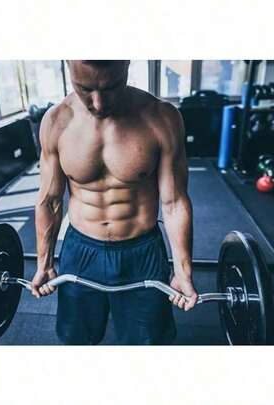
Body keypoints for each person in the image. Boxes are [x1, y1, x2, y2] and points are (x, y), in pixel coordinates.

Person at [32, 60, 198, 344]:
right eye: (84, 88)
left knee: (146, 343)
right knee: (77, 340)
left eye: (111, 87)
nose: (98, 103)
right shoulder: (56, 121)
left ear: (127, 65)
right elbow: (49, 200)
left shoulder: (161, 118)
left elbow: (174, 203)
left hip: (141, 253)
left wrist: (183, 271)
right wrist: (44, 263)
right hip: (80, 251)